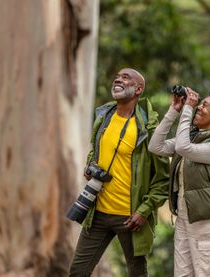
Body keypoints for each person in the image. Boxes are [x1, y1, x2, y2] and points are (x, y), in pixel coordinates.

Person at [69, 68, 169, 277]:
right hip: (97, 212)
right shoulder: (103, 116)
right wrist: (90, 166)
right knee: (78, 272)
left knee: (137, 274)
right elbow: (95, 152)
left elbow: (163, 179)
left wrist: (144, 210)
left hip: (130, 217)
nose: (118, 79)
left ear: (138, 89)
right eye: (117, 76)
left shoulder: (148, 128)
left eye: (126, 77)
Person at [148, 86, 210, 277]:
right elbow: (155, 146)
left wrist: (187, 109)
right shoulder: (194, 138)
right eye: (199, 104)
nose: (199, 107)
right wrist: (174, 110)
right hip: (185, 217)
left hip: (209, 222)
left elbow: (183, 148)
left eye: (205, 105)